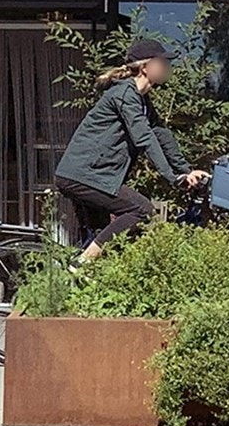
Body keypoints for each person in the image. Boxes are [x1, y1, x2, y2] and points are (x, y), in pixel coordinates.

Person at [53, 38, 210, 262]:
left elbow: (161, 134)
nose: (168, 68)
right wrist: (173, 177)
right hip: (84, 175)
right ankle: (82, 264)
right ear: (146, 67)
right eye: (163, 63)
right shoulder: (125, 95)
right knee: (141, 209)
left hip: (95, 176)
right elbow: (144, 138)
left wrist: (186, 170)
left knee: (108, 239)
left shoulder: (142, 100)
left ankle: (80, 281)